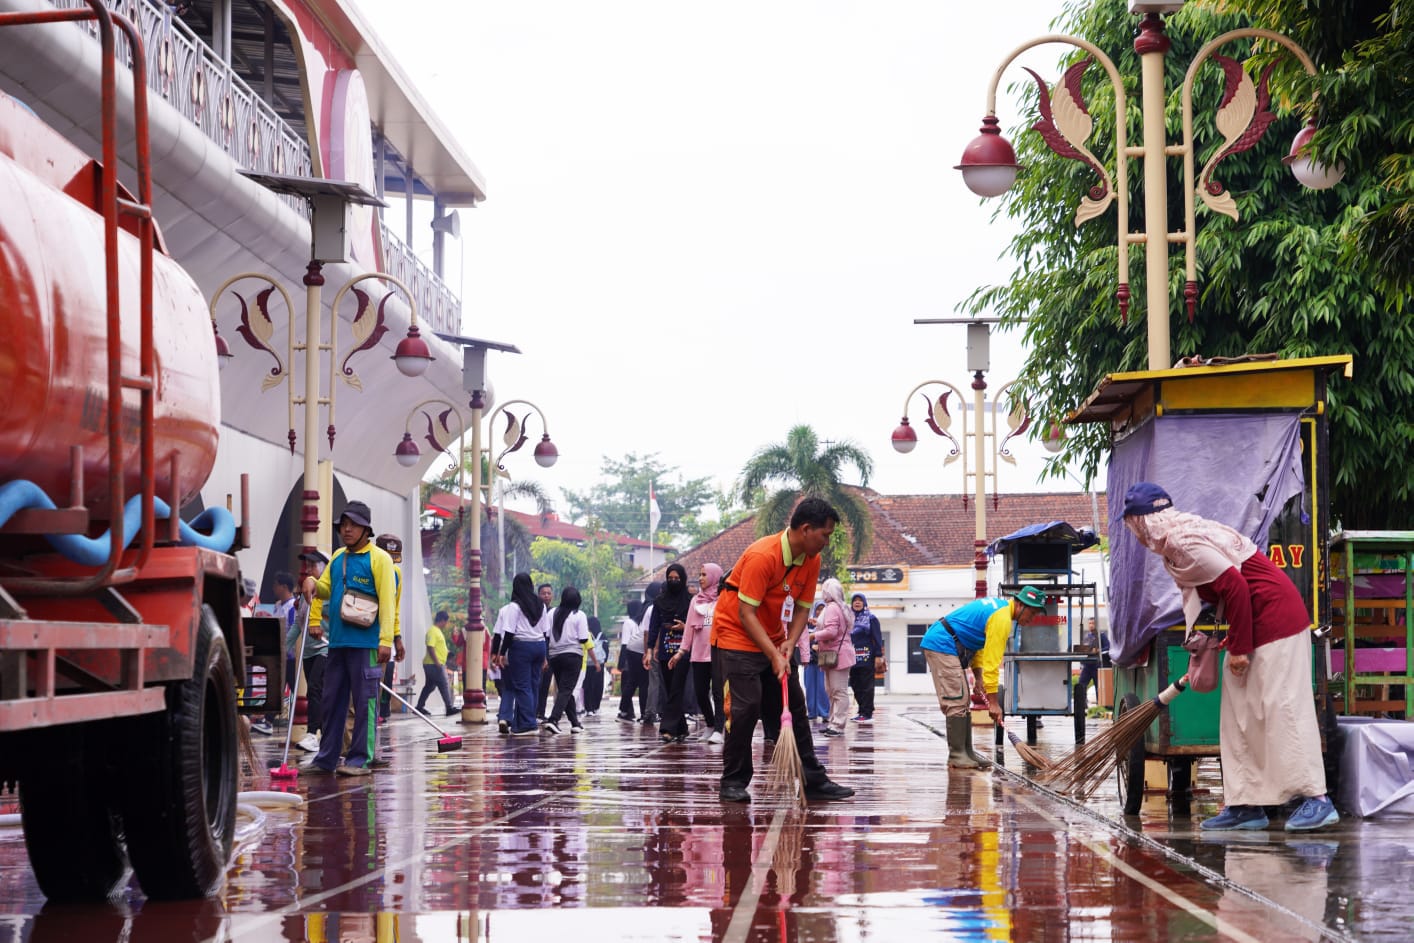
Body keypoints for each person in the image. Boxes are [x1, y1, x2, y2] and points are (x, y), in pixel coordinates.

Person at [1122, 482, 1339, 832]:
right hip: (1250, 620)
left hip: (1276, 618)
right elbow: (1212, 593)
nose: (1134, 533)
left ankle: (1316, 799)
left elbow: (1236, 585)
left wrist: (1239, 647)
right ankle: (1245, 804)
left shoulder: (1184, 541)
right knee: (1238, 714)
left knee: (1282, 707)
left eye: (1133, 524)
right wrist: (1206, 639)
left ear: (1147, 521)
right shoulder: (1174, 547)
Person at [715, 497, 854, 803]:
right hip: (737, 635)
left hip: (774, 635)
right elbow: (745, 614)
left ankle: (812, 779)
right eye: (825, 535)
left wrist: (789, 643)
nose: (827, 542)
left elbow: (803, 608)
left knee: (795, 705)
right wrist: (775, 654)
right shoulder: (763, 556)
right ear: (806, 529)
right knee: (746, 707)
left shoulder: (811, 560)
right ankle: (733, 780)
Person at [301, 501, 396, 777]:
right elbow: (326, 589)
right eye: (343, 525)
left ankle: (360, 760)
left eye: (352, 524)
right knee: (332, 702)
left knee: (365, 703)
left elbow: (388, 602)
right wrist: (312, 583)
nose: (346, 529)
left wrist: (386, 640)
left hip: (367, 644)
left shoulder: (380, 559)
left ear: (366, 529)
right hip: (338, 643)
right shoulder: (338, 557)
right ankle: (326, 758)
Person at [920, 585, 1048, 768]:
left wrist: (978, 678)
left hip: (951, 644)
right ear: (1021, 605)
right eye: (1033, 613)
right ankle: (957, 755)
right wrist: (994, 702)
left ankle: (967, 752)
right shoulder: (1002, 619)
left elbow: (978, 646)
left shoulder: (1001, 611)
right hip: (941, 644)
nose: (1032, 619)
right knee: (956, 699)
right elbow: (992, 663)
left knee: (963, 701)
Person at [490, 573, 551, 736]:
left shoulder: (514, 607)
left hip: (521, 647)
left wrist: (502, 653)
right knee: (533, 686)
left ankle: (528, 724)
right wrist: (545, 655)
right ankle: (519, 723)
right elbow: (545, 632)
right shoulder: (541, 605)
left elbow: (508, 633)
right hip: (539, 646)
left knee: (522, 686)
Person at [674, 563, 723, 743]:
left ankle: (720, 729)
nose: (701, 578)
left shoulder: (724, 599)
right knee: (701, 693)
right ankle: (710, 725)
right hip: (698, 654)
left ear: (714, 577)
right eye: (700, 574)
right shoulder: (696, 601)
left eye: (704, 575)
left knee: (718, 692)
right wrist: (681, 652)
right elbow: (689, 630)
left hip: (718, 654)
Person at [646, 563, 693, 742]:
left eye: (677, 579)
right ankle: (681, 728)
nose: (674, 582)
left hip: (683, 649)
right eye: (670, 579)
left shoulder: (690, 601)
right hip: (665, 649)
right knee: (669, 688)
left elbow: (695, 624)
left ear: (683, 580)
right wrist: (650, 650)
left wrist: (684, 627)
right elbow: (653, 627)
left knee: (676, 688)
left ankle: (667, 728)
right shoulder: (659, 602)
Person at [544, 587, 596, 734]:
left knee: (564, 690)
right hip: (573, 656)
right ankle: (553, 719)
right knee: (567, 690)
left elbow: (546, 635)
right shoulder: (579, 615)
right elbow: (584, 638)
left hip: (554, 656)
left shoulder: (552, 613)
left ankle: (575, 723)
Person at [810, 578, 855, 737]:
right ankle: (833, 722)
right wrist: (817, 623)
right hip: (833, 654)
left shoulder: (833, 608)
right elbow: (833, 627)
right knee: (831, 690)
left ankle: (838, 725)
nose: (822, 593)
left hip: (838, 655)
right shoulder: (836, 607)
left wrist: (813, 635)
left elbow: (831, 632)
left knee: (838, 691)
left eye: (824, 590)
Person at [295, 549, 330, 753]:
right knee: (319, 691)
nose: (308, 569)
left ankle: (311, 733)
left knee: (315, 688)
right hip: (309, 651)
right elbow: (298, 625)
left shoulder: (330, 591)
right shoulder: (304, 592)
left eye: (313, 565)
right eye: (306, 565)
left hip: (326, 647)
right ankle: (325, 735)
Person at [375, 534, 407, 724]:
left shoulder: (395, 574)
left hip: (382, 640)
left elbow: (393, 609)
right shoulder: (369, 568)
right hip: (362, 635)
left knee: (374, 691)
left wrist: (396, 637)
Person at [848, 593, 884, 722]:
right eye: (855, 601)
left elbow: (877, 637)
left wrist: (878, 655)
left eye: (860, 601)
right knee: (855, 683)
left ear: (864, 603)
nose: (857, 603)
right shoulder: (849, 619)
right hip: (851, 658)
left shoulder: (871, 618)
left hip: (866, 657)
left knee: (866, 685)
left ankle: (867, 712)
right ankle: (862, 710)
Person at [416, 610, 457, 716]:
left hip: (433, 663)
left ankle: (419, 707)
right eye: (446, 622)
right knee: (444, 684)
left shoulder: (437, 631)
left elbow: (438, 647)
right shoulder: (432, 631)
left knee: (430, 686)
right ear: (442, 620)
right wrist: (437, 662)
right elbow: (430, 647)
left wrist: (447, 652)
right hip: (433, 664)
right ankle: (449, 708)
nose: (446, 624)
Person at [617, 601, 648, 722]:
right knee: (642, 683)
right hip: (642, 652)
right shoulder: (639, 622)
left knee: (630, 684)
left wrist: (621, 663)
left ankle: (625, 711)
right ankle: (642, 712)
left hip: (631, 655)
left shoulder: (628, 623)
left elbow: (625, 643)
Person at [640, 581, 664, 725]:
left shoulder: (651, 608)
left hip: (655, 649)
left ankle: (650, 712)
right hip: (666, 648)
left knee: (654, 682)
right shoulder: (666, 606)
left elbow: (646, 634)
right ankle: (658, 711)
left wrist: (647, 652)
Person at [802, 602, 829, 722]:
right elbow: (802, 639)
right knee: (809, 687)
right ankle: (812, 712)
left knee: (823, 687)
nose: (820, 612)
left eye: (822, 609)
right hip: (809, 660)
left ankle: (825, 713)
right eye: (818, 609)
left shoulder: (828, 624)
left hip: (823, 660)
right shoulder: (807, 624)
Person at [583, 615, 608, 717]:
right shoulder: (602, 636)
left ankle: (588, 708)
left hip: (588, 664)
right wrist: (604, 661)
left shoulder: (586, 634)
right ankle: (596, 707)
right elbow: (606, 649)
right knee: (598, 686)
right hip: (600, 663)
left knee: (587, 686)